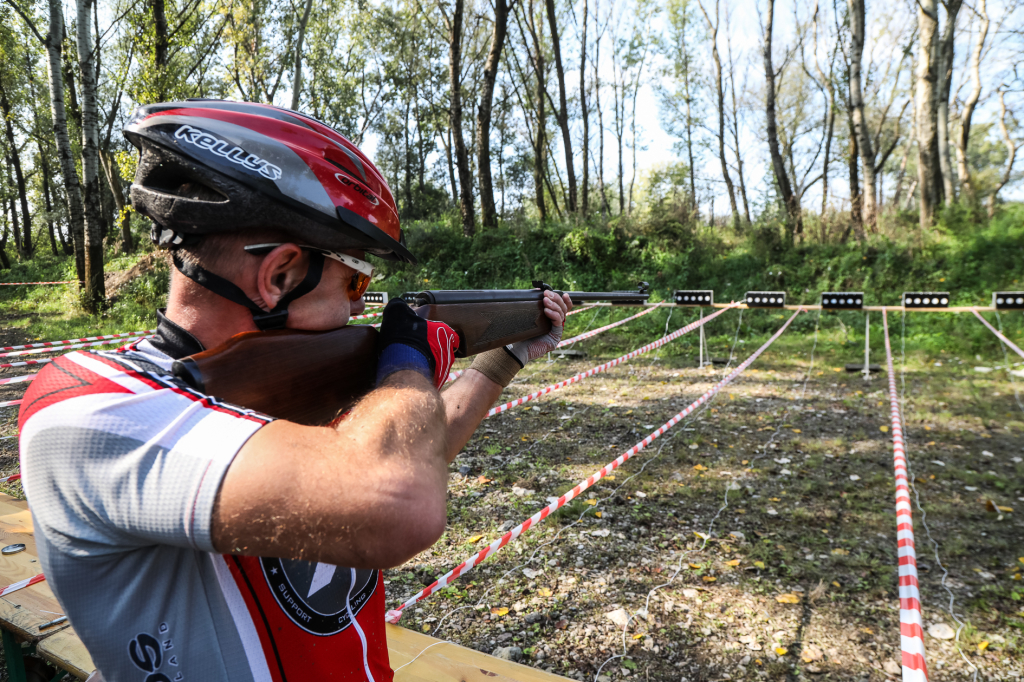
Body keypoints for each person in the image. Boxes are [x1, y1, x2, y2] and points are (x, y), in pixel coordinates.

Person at [18, 99, 570, 682]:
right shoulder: (87, 410)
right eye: (355, 282)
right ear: (279, 275)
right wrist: (407, 362)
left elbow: (410, 454)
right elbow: (396, 500)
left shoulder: (292, 391)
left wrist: (500, 362)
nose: (359, 307)